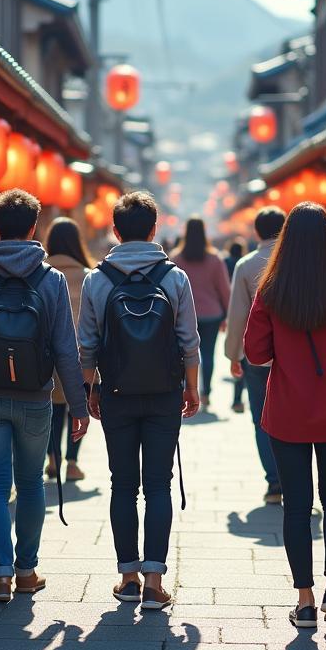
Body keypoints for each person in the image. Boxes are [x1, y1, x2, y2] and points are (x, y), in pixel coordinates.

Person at [0, 189, 88, 603]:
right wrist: (77, 406)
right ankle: (27, 572)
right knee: (30, 483)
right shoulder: (51, 278)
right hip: (36, 396)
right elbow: (65, 347)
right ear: (33, 227)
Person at [244, 202, 326, 628]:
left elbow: (255, 352)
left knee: (296, 507)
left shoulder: (270, 292)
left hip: (286, 413)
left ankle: (304, 601)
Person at [78, 191, 202, 611]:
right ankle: (154, 581)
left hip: (116, 393)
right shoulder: (175, 278)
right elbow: (189, 340)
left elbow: (87, 345)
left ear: (115, 231)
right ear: (155, 229)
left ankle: (127, 577)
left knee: (123, 484)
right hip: (165, 392)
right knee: (158, 485)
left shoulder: (98, 279)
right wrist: (192, 386)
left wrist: (91, 388)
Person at [225, 205, 286, 504]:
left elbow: (238, 315)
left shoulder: (247, 265)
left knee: (262, 418)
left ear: (257, 232)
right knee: (296, 416)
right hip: (296, 355)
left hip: (258, 355)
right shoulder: (296, 261)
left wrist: (234, 354)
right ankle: (295, 478)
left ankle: (274, 483)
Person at [44, 217, 94, 482]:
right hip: (80, 353)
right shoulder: (88, 276)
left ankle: (52, 458)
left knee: (52, 407)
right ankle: (72, 463)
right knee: (78, 406)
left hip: (46, 352)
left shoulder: (41, 274)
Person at [172, 217, 231, 412]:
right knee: (207, 353)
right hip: (211, 314)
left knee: (183, 354)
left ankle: (185, 390)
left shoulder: (176, 259)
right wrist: (227, 315)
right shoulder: (215, 259)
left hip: (183, 315)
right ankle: (205, 393)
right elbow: (224, 289)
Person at [224, 238, 247, 414]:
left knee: (241, 360)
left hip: (238, 313)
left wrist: (232, 353)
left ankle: (237, 400)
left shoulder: (238, 265)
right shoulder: (250, 264)